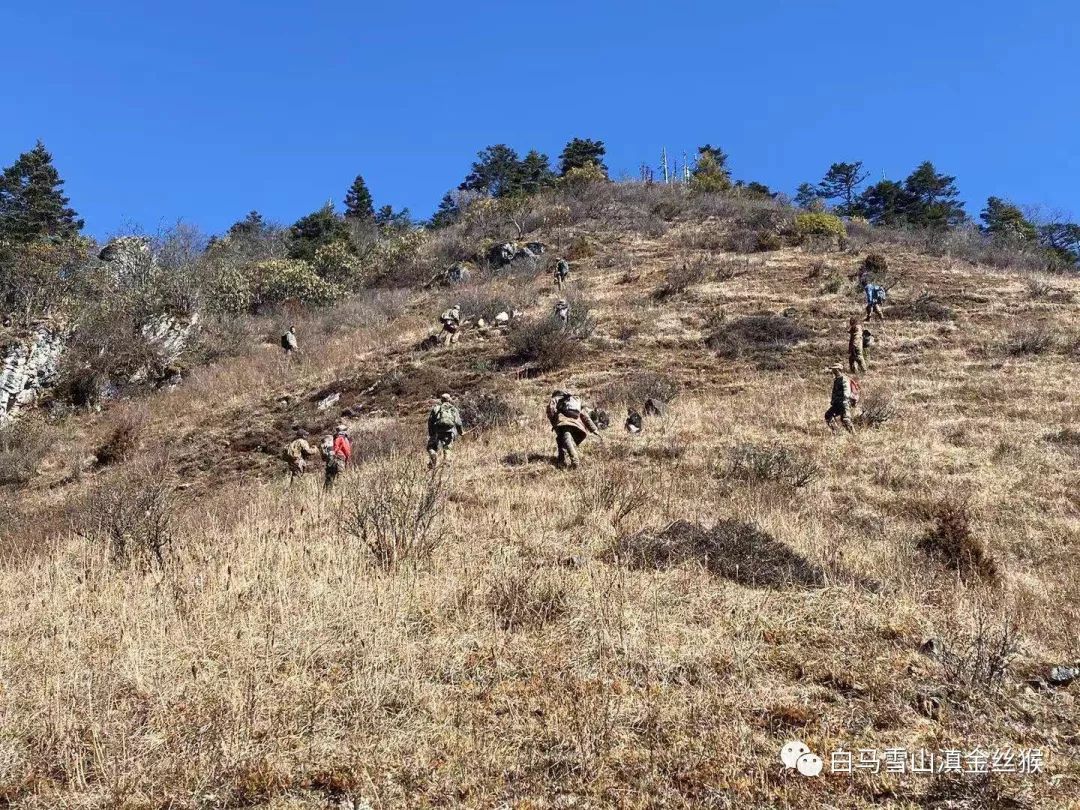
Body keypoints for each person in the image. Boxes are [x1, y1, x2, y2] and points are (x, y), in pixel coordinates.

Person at [546, 389, 603, 469]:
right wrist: (594, 429)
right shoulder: (574, 401)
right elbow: (585, 416)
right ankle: (561, 461)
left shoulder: (556, 399)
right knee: (560, 439)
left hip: (563, 422)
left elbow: (550, 410)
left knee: (566, 439)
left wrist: (554, 421)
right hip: (577, 425)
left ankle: (575, 460)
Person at [427, 393, 463, 468]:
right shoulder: (453, 409)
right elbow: (458, 423)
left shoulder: (436, 408)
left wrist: (431, 433)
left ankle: (433, 456)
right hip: (449, 432)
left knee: (431, 447)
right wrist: (461, 432)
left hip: (437, 431)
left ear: (441, 400)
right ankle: (446, 464)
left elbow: (430, 422)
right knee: (447, 448)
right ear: (449, 400)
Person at [825, 364, 856, 435]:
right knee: (828, 415)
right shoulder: (837, 379)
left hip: (843, 403)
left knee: (845, 419)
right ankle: (836, 433)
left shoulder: (844, 379)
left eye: (834, 369)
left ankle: (854, 436)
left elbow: (847, 392)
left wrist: (844, 402)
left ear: (838, 369)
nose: (832, 370)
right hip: (837, 403)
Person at [323, 424, 352, 490]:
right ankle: (339, 492)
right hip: (340, 459)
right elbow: (347, 450)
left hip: (331, 460)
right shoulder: (342, 438)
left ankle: (326, 492)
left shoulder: (332, 438)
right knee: (341, 477)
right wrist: (348, 459)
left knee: (329, 477)